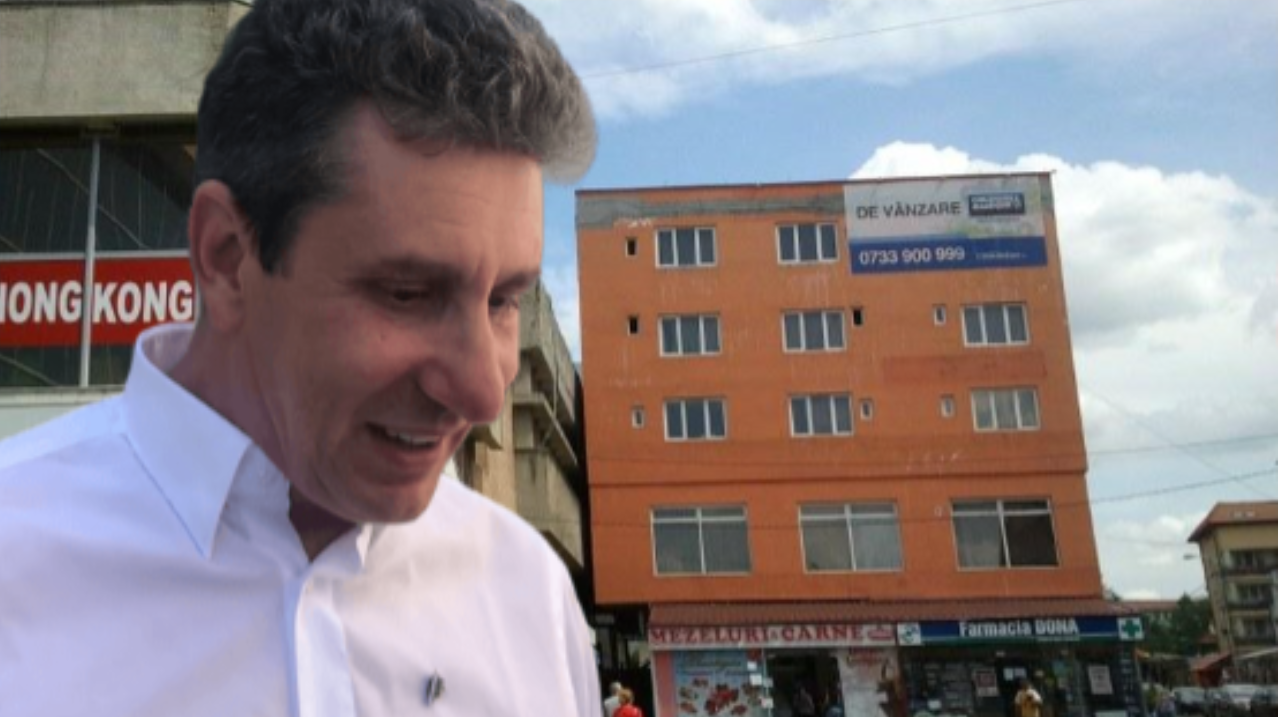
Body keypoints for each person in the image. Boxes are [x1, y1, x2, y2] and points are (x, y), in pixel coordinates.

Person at [0, 0, 597, 715]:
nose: (482, 392)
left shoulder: (529, 595)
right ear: (227, 258)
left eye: (503, 300)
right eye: (406, 293)